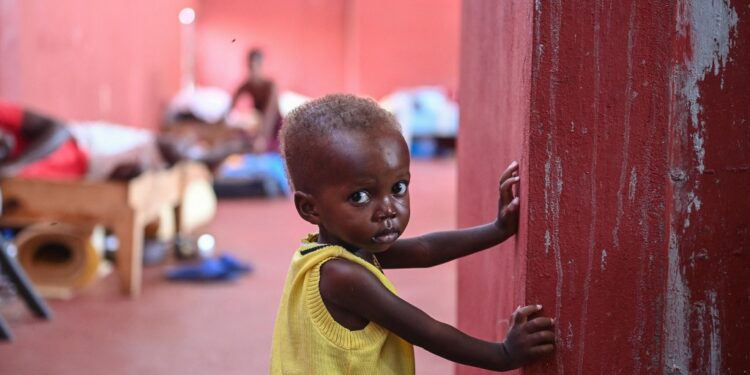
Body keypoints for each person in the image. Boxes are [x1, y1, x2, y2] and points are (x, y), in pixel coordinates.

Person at [271, 94, 555, 373]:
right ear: (310, 208)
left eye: (398, 188)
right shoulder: (341, 276)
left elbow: (425, 250)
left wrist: (497, 230)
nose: (387, 210)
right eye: (359, 196)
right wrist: (503, 355)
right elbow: (427, 331)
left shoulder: (338, 250)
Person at [0, 100, 246, 181]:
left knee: (169, 149)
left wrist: (17, 163)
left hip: (88, 143)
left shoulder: (6, 118)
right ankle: (207, 154)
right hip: (96, 168)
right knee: (163, 162)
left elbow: (59, 129)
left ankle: (213, 152)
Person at [228, 48, 282, 153]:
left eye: (256, 66)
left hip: (274, 128)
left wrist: (263, 138)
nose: (253, 71)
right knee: (237, 139)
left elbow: (269, 115)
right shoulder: (247, 85)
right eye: (251, 67)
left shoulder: (270, 86)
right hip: (260, 127)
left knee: (272, 148)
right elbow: (232, 102)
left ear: (261, 66)